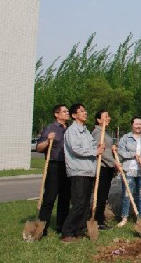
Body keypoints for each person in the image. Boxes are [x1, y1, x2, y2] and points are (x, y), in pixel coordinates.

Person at [60, 103, 103, 242]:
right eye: (81, 111)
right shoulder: (72, 131)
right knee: (78, 203)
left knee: (85, 205)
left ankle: (78, 230)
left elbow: (91, 146)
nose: (85, 113)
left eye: (85, 111)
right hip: (78, 171)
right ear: (74, 115)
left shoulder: (86, 131)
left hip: (89, 171)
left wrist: (97, 147)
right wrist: (94, 151)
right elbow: (75, 149)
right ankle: (67, 232)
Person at [36, 104, 71, 236]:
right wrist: (48, 141)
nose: (67, 113)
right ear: (56, 114)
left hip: (68, 166)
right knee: (50, 198)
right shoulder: (51, 128)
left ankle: (61, 226)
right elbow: (39, 147)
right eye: (64, 111)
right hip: (54, 165)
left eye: (67, 111)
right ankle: (42, 227)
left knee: (65, 198)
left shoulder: (69, 129)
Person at [116, 116, 141, 227]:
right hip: (128, 170)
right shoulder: (125, 138)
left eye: (140, 124)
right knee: (127, 195)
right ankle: (124, 217)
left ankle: (139, 217)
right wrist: (132, 155)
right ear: (132, 125)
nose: (139, 126)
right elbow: (120, 151)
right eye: (136, 124)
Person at [91, 109, 115, 230]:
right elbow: (101, 152)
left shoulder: (106, 132)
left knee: (104, 194)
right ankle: (97, 219)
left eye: (108, 116)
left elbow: (108, 149)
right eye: (105, 116)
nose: (108, 118)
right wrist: (114, 162)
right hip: (102, 167)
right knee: (100, 194)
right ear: (98, 119)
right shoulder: (97, 132)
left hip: (108, 167)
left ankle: (100, 218)